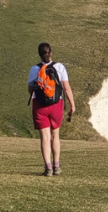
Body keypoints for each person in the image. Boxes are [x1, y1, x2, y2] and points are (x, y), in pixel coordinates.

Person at [28, 43, 76, 177]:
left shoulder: (34, 69)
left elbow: (30, 89)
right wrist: (72, 104)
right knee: (55, 136)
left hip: (40, 105)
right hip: (56, 104)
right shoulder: (59, 67)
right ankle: (56, 166)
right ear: (51, 53)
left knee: (45, 137)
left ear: (39, 54)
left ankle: (48, 168)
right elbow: (66, 87)